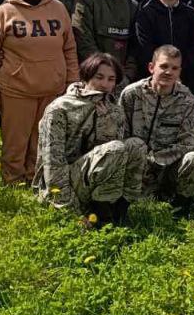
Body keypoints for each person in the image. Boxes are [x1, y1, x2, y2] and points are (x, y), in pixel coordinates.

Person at [0, 0, 77, 186]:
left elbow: (70, 49)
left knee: (41, 141)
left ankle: (35, 180)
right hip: (16, 89)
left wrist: (72, 82)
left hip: (52, 89)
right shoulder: (4, 12)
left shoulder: (58, 8)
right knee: (16, 142)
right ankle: (12, 183)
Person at [34, 52, 145, 225]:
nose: (105, 84)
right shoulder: (60, 108)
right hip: (60, 186)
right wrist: (72, 211)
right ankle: (100, 217)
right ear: (86, 76)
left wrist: (107, 122)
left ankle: (118, 210)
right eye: (99, 77)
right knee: (116, 147)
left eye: (111, 79)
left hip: (90, 180)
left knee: (136, 146)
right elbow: (53, 163)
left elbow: (109, 158)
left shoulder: (114, 110)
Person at [120, 45, 194, 207]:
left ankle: (179, 207)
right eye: (164, 66)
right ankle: (125, 203)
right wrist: (140, 159)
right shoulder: (131, 94)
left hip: (167, 168)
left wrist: (155, 159)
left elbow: (188, 143)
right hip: (135, 166)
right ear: (151, 67)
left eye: (174, 68)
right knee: (132, 145)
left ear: (179, 72)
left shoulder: (187, 100)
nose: (169, 72)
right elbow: (120, 134)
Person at [133, 0, 194, 95]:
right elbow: (144, 46)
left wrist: (179, 71)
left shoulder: (190, 14)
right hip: (153, 77)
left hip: (184, 78)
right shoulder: (146, 12)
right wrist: (161, 70)